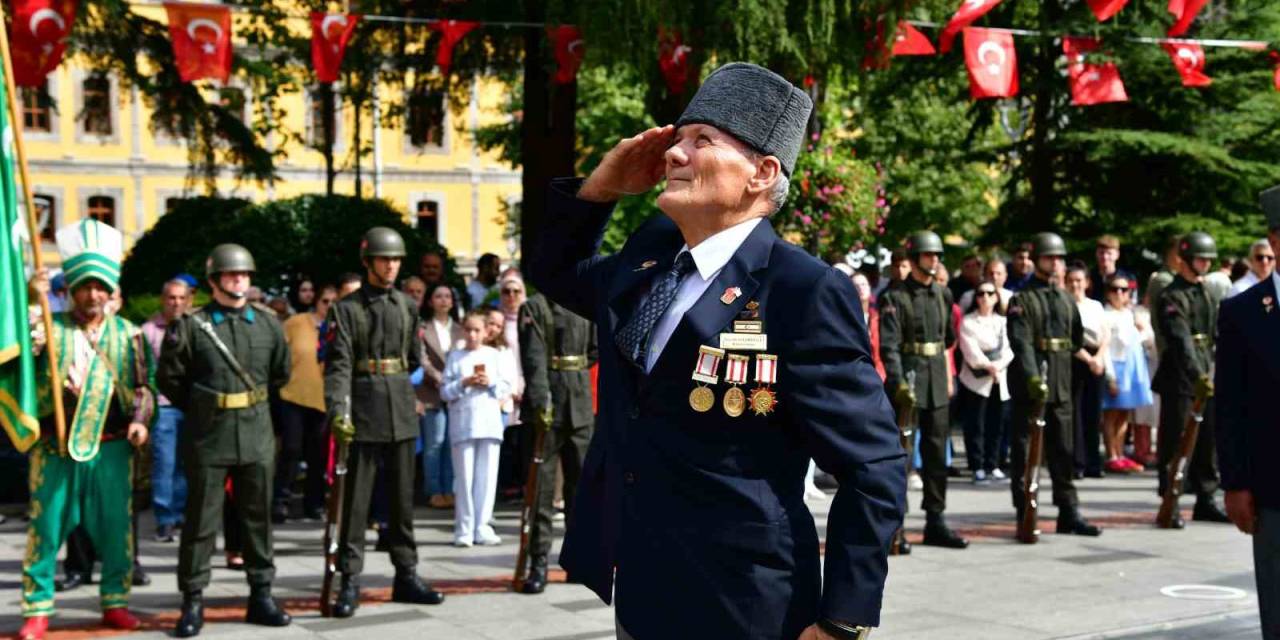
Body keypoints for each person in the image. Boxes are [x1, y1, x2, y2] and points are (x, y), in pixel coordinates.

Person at [525, 62, 904, 639]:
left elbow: (872, 465)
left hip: (746, 602)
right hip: (645, 590)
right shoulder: (653, 257)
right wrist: (599, 190)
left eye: (702, 140)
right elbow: (555, 272)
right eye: (677, 138)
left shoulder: (800, 288)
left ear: (762, 173)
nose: (674, 154)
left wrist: (843, 620)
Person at [18, 220, 155, 640]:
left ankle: (115, 600)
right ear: (71, 290)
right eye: (85, 287)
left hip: (110, 449)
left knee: (115, 530)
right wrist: (31, 298)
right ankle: (37, 608)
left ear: (110, 291)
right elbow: (16, 354)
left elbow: (143, 386)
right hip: (55, 448)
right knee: (46, 528)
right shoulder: (47, 326)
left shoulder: (129, 334)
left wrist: (140, 420)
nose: (93, 295)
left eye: (100, 287)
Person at [158, 244, 292, 637]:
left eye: (244, 274)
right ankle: (193, 600)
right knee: (201, 521)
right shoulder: (192, 325)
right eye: (232, 274)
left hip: (255, 431)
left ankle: (261, 595)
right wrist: (203, 407)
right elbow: (170, 378)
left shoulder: (268, 324)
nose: (239, 280)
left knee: (257, 519)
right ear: (214, 281)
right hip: (209, 435)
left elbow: (280, 373)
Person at [324, 227, 445, 618]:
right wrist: (338, 410)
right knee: (356, 504)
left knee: (402, 503)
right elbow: (339, 366)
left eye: (395, 260)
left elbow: (411, 358)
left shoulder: (407, 306)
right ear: (368, 262)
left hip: (400, 409)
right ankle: (349, 580)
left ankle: (406, 574)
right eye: (384, 259)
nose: (391, 266)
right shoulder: (346, 309)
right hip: (361, 411)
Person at [1216, 184, 1280, 639]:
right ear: (1275, 240)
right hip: (1274, 486)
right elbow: (1230, 405)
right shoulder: (1242, 312)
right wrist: (1235, 483)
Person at [1006, 232, 1102, 537]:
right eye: (1050, 258)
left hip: (1061, 382)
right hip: (1029, 385)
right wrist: (1033, 377)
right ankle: (1024, 510)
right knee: (1025, 451)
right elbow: (1021, 343)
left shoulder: (1065, 298)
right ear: (1037, 260)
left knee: (1064, 448)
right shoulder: (1021, 299)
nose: (1056, 263)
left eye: (1059, 258)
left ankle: (1068, 511)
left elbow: (1075, 338)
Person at [879, 230, 967, 550]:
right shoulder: (894, 297)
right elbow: (889, 347)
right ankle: (896, 525)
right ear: (915, 258)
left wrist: (946, 378)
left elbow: (948, 339)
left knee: (936, 455)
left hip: (936, 381)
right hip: (908, 382)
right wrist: (899, 383)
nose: (935, 260)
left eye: (937, 255)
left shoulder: (944, 294)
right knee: (900, 458)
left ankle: (936, 520)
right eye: (929, 254)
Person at [516, 289, 598, 593]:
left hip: (579, 401)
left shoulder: (585, 301)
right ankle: (538, 562)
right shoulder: (535, 307)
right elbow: (533, 360)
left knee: (582, 489)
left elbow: (594, 349)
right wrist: (541, 402)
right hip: (548, 404)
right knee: (542, 490)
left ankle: (578, 560)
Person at [1151, 231, 1230, 527]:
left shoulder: (1205, 292)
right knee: (1176, 442)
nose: (1206, 264)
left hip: (1204, 372)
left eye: (1209, 260)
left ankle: (1206, 499)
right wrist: (1197, 375)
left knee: (1208, 442)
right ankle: (1170, 501)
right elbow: (1180, 340)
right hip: (1180, 378)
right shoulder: (1171, 295)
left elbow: (1214, 333)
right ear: (1185, 259)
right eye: (1201, 259)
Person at [441, 310, 512, 547]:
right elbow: (444, 391)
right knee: (464, 479)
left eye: (477, 330)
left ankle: (482, 526)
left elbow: (505, 388)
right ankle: (464, 528)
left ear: (485, 332)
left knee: (487, 478)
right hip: (463, 423)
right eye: (468, 330)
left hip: (489, 423)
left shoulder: (494, 355)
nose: (472, 335)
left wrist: (490, 382)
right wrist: (463, 383)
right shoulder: (455, 356)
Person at [273, 284, 336, 522]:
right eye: (325, 301)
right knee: (291, 450)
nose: (329, 306)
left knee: (318, 455)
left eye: (334, 303)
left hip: (323, 400)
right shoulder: (296, 323)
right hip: (294, 395)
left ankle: (314, 504)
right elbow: (278, 353)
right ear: (316, 302)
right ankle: (280, 502)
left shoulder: (339, 329)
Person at [142, 278, 192, 542]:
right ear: (163, 300)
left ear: (189, 301)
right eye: (172, 297)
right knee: (165, 463)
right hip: (163, 406)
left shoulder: (197, 328)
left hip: (192, 406)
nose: (176, 303)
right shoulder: (149, 330)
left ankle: (181, 514)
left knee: (186, 464)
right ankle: (165, 518)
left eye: (182, 298)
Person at [958, 280, 1013, 484]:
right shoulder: (968, 321)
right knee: (976, 424)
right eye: (981, 294)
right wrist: (989, 366)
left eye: (990, 293)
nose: (985, 298)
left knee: (997, 424)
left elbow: (1009, 349)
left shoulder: (1003, 322)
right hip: (976, 379)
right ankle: (977, 466)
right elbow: (970, 350)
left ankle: (993, 464)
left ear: (996, 297)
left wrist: (997, 367)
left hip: (999, 378)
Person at [1100, 274, 1153, 474]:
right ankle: (1111, 455)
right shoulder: (1105, 315)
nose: (1120, 293)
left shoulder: (1129, 314)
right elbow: (1105, 347)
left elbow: (1140, 338)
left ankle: (1120, 453)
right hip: (1115, 366)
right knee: (1111, 414)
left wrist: (1141, 330)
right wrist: (1110, 376)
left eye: (1124, 290)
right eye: (1115, 289)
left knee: (1124, 414)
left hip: (1130, 366)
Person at [416, 284, 463, 508]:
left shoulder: (461, 329)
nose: (443, 300)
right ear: (430, 301)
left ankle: (450, 489)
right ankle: (434, 490)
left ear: (452, 302)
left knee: (452, 444)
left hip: (456, 393)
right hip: (431, 392)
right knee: (434, 443)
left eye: (447, 296)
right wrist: (439, 377)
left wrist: (453, 380)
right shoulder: (423, 328)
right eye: (438, 296)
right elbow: (422, 359)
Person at [1067, 261, 1108, 479]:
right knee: (1076, 413)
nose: (1075, 285)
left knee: (1094, 413)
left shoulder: (1095, 306)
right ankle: (1078, 463)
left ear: (1087, 283)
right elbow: (1069, 339)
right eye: (1071, 281)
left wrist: (1098, 357)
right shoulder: (1065, 305)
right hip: (1076, 358)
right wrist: (1088, 359)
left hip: (1096, 359)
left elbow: (1106, 333)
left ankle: (1094, 462)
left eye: (1079, 280)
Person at [1089, 235, 1136, 303]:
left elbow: (1133, 299)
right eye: (1101, 253)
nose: (1105, 257)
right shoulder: (1088, 277)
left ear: (1117, 255)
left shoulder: (1130, 278)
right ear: (1096, 254)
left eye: (1109, 253)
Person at [419, 251, 463, 321]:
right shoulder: (413, 289)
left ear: (441, 269)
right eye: (427, 267)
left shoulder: (450, 291)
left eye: (435, 267)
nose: (431, 270)